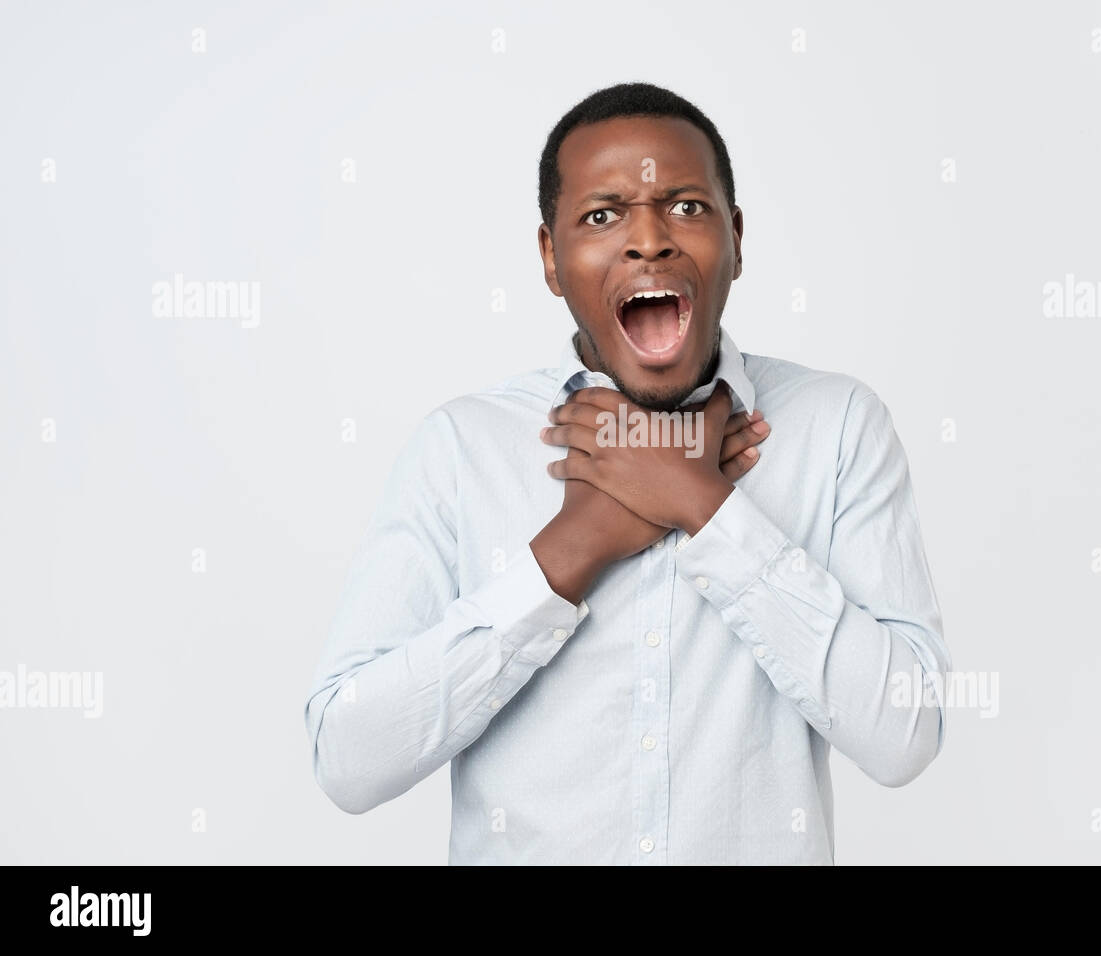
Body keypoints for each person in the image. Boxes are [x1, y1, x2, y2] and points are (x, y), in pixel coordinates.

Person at [303, 81, 951, 865]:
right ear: (550, 257)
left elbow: (904, 734)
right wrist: (575, 546)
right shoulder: (461, 448)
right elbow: (348, 758)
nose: (649, 240)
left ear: (737, 240)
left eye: (685, 206)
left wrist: (701, 505)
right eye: (602, 216)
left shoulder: (837, 426)